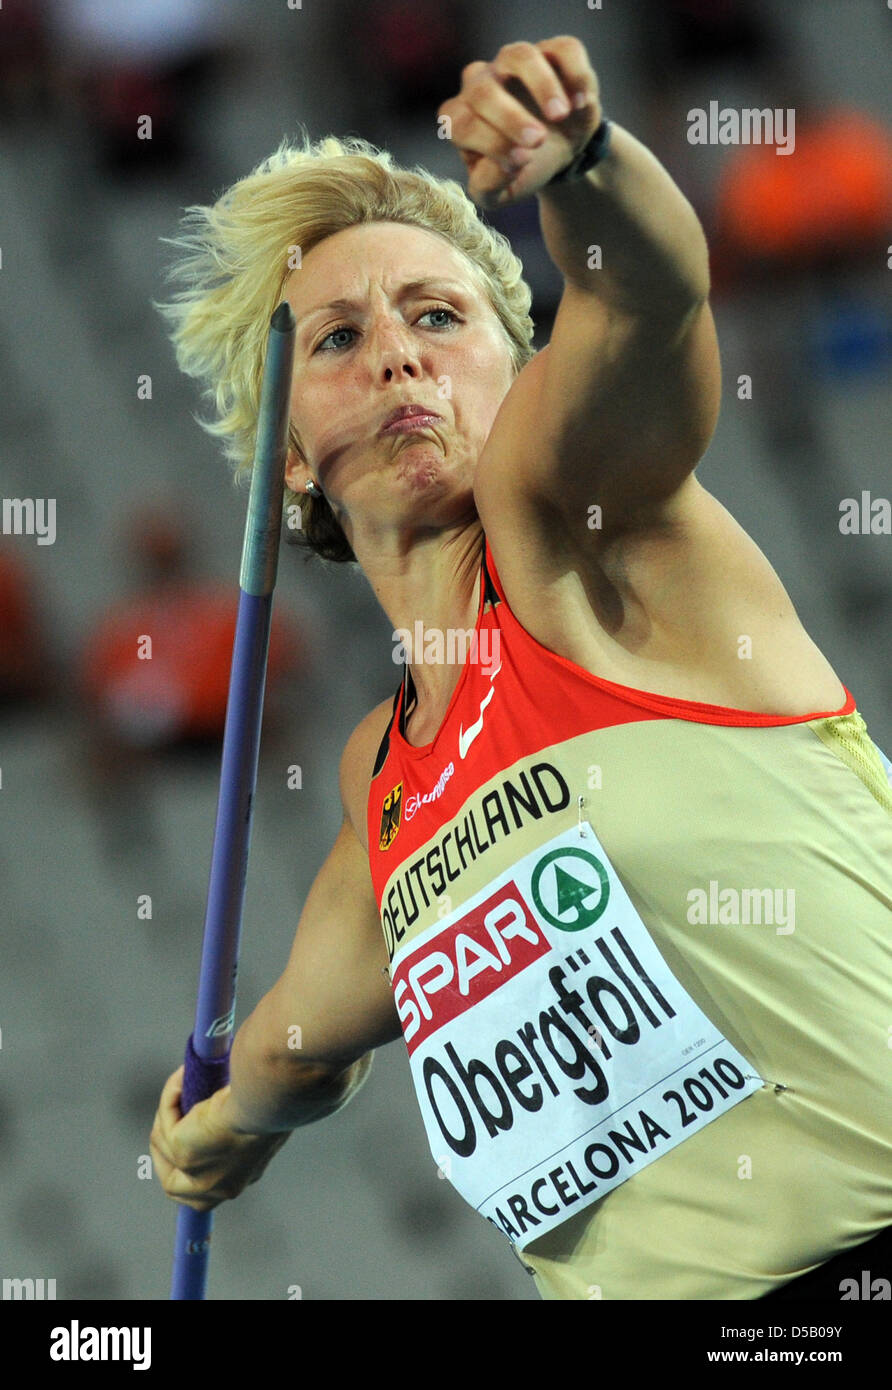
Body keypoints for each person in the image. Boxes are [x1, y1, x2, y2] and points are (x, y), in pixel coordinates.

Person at [150, 37, 892, 1300]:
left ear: (516, 361)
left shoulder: (586, 530)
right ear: (287, 455)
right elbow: (294, 1044)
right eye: (335, 339)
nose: (395, 356)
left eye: (437, 317)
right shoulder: (380, 781)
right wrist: (215, 1131)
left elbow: (652, 299)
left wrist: (583, 166)